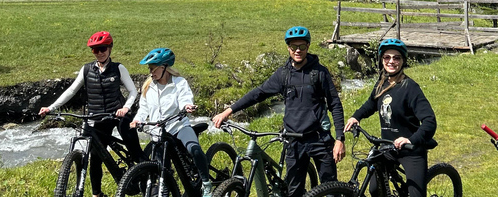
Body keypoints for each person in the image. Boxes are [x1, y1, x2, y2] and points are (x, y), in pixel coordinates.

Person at [212, 26, 345, 197]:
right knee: (294, 191)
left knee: (331, 190)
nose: (298, 50)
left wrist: (340, 138)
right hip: (294, 141)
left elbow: (335, 104)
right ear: (288, 48)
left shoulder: (319, 72)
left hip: (319, 138)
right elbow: (258, 93)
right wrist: (227, 111)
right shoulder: (283, 74)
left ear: (308, 46)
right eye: (293, 46)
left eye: (302, 46)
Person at [39, 31, 144, 197]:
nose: (100, 53)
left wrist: (125, 108)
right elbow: (72, 90)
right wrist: (50, 108)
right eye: (95, 50)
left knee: (133, 146)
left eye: (102, 48)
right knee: (96, 155)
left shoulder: (118, 68)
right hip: (96, 116)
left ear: (110, 49)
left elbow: (132, 92)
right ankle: (97, 194)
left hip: (117, 113)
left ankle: (148, 177)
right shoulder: (87, 69)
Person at [345, 38, 437, 197]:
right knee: (375, 189)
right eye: (387, 57)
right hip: (388, 147)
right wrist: (356, 117)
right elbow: (370, 104)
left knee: (416, 195)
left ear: (402, 61)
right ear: (382, 60)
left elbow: (430, 121)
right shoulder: (382, 83)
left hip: (411, 150)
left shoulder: (411, 88)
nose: (391, 61)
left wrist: (411, 140)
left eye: (396, 58)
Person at [130, 48, 213, 197]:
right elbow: (144, 109)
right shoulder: (148, 87)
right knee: (163, 170)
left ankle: (206, 183)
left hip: (178, 126)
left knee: (194, 148)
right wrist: (137, 120)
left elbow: (185, 99)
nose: (151, 73)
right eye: (149, 69)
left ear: (164, 67)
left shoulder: (179, 83)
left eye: (153, 69)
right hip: (158, 132)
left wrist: (187, 106)